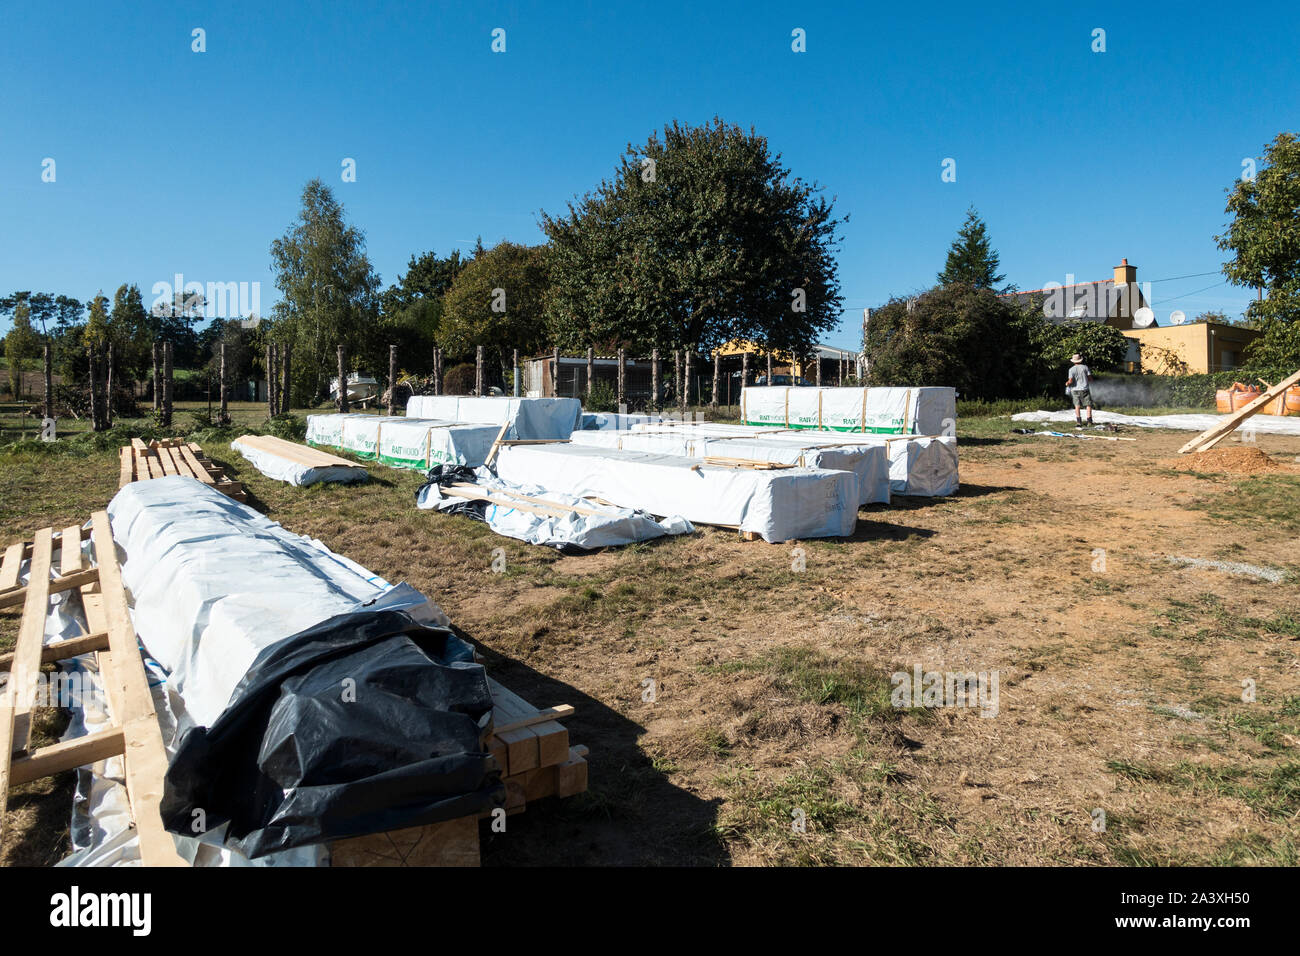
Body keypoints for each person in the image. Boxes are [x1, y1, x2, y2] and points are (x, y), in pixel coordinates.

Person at [1066, 353, 1093, 427]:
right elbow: (1090, 379)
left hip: (1075, 390)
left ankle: (1079, 422)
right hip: (1085, 389)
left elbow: (1070, 381)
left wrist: (1067, 383)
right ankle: (1089, 421)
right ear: (1080, 360)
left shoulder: (1071, 369)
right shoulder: (1085, 367)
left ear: (1073, 361)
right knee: (1088, 405)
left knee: (1077, 405)